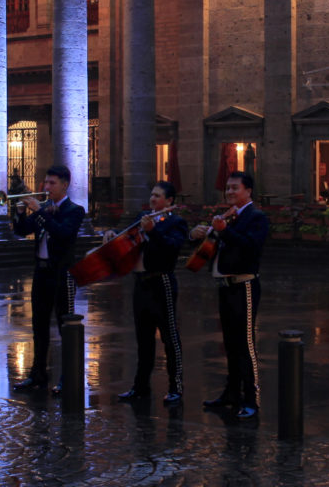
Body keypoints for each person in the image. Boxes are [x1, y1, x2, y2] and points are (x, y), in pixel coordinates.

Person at [191, 170, 268, 419]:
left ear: (248, 191)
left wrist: (223, 231)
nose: (230, 192)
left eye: (235, 188)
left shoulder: (256, 217)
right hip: (226, 286)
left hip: (244, 285)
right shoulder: (230, 217)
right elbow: (212, 249)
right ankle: (231, 393)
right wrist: (200, 235)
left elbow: (251, 247)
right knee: (231, 344)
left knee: (245, 344)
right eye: (228, 188)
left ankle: (252, 400)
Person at [10, 165, 85, 395]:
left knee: (65, 327)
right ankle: (38, 374)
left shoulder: (74, 210)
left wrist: (39, 212)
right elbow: (22, 231)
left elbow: (63, 234)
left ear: (65, 185)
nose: (46, 187)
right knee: (39, 327)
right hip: (41, 272)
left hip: (62, 274)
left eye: (52, 183)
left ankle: (68, 376)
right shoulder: (45, 209)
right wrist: (21, 212)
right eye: (45, 182)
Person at [115, 180, 189, 406]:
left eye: (158, 196)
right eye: (152, 195)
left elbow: (171, 248)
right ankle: (140, 386)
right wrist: (112, 235)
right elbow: (126, 237)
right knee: (143, 339)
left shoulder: (176, 222)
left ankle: (175, 387)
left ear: (169, 200)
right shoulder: (142, 218)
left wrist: (153, 231)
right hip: (141, 283)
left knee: (169, 336)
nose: (153, 199)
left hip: (161, 281)